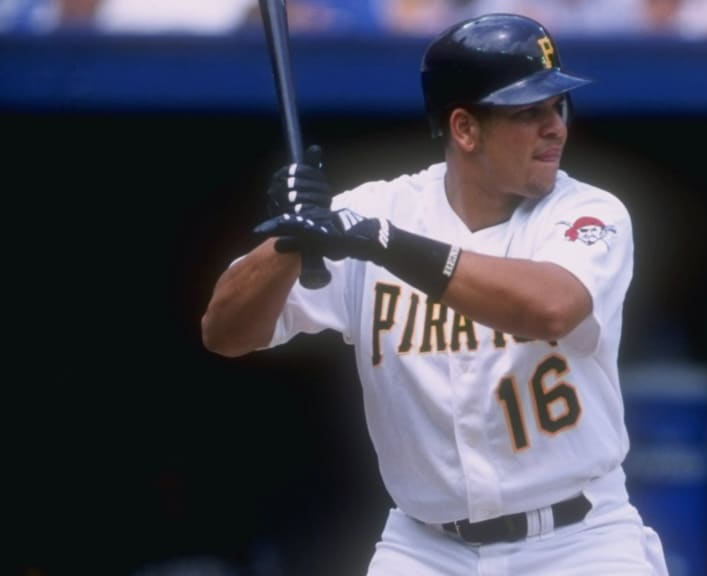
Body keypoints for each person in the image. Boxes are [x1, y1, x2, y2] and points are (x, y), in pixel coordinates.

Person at [201, 12, 669, 575]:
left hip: (578, 541)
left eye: (557, 106)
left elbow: (551, 308)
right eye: (527, 112)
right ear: (465, 129)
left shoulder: (587, 213)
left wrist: (383, 243)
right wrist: (287, 240)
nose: (555, 127)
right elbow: (225, 333)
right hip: (425, 548)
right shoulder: (380, 210)